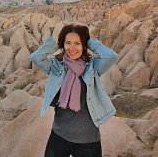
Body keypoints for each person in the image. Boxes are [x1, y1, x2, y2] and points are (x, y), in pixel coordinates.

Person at [30, 23, 119, 157]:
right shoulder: (57, 67)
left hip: (88, 142)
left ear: (83, 45)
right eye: (68, 43)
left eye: (77, 43)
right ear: (63, 45)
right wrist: (56, 43)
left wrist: (90, 42)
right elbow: (36, 57)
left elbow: (110, 56)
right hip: (59, 137)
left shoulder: (92, 68)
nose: (72, 48)